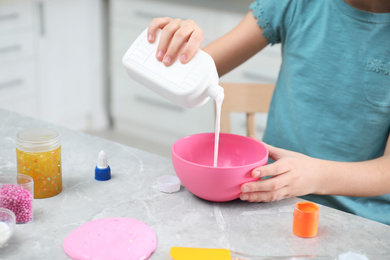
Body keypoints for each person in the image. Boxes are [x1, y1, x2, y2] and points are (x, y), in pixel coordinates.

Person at [147, 0, 390, 224]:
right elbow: (192, 77)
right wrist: (180, 46)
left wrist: (313, 175)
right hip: (272, 201)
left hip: (362, 220)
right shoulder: (297, 4)